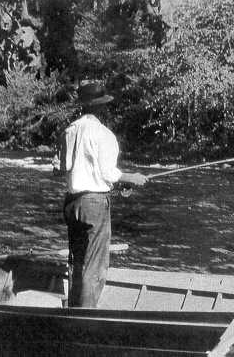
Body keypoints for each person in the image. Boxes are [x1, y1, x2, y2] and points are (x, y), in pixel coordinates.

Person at [59, 81, 147, 307]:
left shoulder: (68, 131)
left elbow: (60, 168)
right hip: (94, 205)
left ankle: (73, 312)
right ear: (101, 108)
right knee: (95, 265)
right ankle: (85, 320)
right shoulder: (104, 134)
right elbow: (108, 172)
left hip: (71, 203)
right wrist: (132, 178)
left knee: (76, 262)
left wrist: (108, 181)